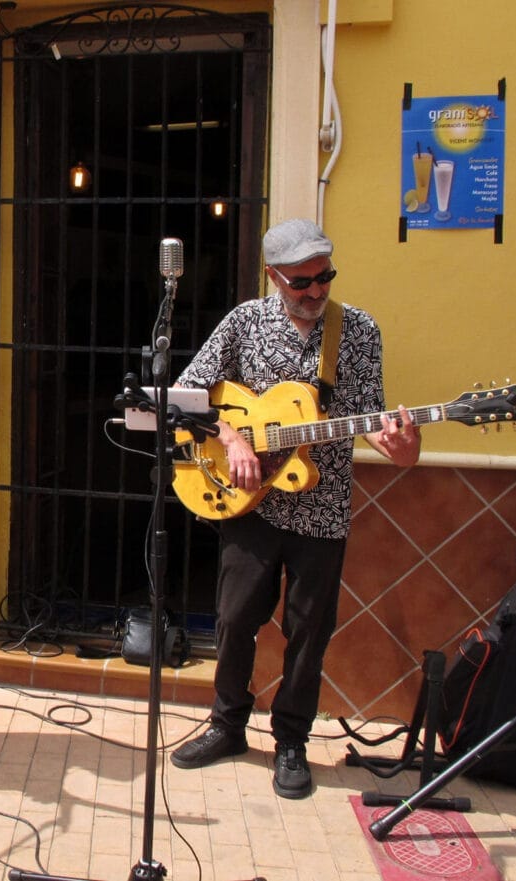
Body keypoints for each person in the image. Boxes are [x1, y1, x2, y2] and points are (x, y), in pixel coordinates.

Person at [169, 218, 420, 798]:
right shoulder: (243, 323)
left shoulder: (356, 332)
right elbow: (187, 394)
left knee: (310, 633)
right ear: (274, 277)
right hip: (250, 506)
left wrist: (403, 449)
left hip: (322, 507)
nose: (315, 291)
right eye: (301, 282)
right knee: (235, 621)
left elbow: (373, 421)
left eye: (323, 277)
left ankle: (291, 742)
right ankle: (227, 725)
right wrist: (231, 439)